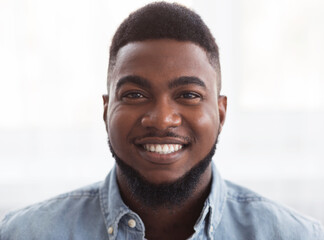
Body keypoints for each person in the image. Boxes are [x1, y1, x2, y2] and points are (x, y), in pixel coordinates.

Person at [1, 2, 323, 240]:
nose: (162, 119)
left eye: (189, 95)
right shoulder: (23, 234)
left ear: (221, 113)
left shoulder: (297, 236)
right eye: (135, 95)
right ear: (105, 109)